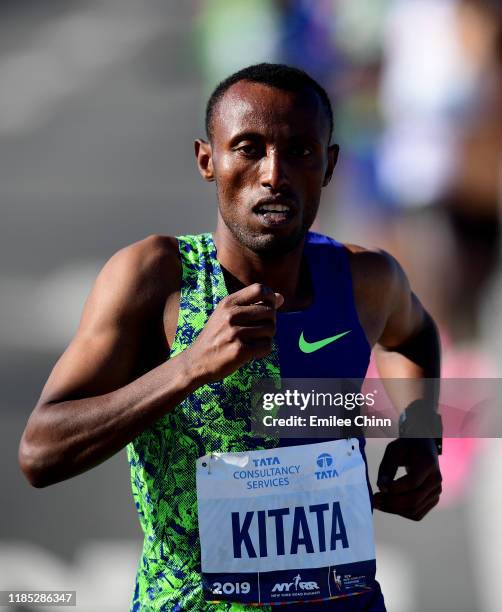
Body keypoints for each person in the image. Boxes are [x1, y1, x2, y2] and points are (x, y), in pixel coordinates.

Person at [19, 63, 442, 611]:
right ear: (207, 160)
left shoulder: (365, 280)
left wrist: (422, 435)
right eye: (248, 148)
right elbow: (40, 452)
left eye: (301, 152)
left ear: (330, 165)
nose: (274, 174)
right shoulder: (157, 279)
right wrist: (188, 366)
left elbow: (414, 334)